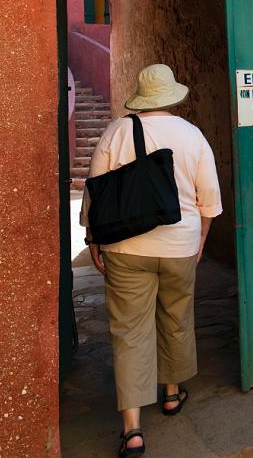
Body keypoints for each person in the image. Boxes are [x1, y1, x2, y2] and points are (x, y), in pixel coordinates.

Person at [80, 64, 223, 458]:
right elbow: (208, 198)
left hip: (125, 249)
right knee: (175, 319)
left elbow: (95, 192)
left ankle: (133, 429)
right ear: (173, 96)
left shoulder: (116, 132)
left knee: (130, 331)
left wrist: (93, 239)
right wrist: (199, 240)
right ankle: (173, 394)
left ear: (140, 98)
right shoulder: (192, 136)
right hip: (179, 246)